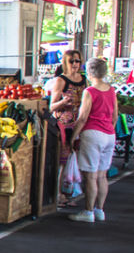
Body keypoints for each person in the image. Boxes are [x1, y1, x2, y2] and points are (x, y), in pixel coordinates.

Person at [69, 58, 117, 223]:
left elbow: (82, 118)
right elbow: (115, 116)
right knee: (102, 176)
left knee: (90, 176)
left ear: (89, 72)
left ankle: (88, 211)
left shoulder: (89, 91)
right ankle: (100, 210)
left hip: (92, 134)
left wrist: (74, 136)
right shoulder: (111, 90)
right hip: (109, 134)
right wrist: (108, 129)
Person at [49, 49, 86, 206]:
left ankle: (71, 191)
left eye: (77, 61)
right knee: (63, 161)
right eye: (72, 61)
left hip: (80, 124)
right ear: (65, 63)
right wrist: (63, 103)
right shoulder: (61, 80)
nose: (75, 64)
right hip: (65, 125)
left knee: (76, 160)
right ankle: (58, 194)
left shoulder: (84, 80)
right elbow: (51, 106)